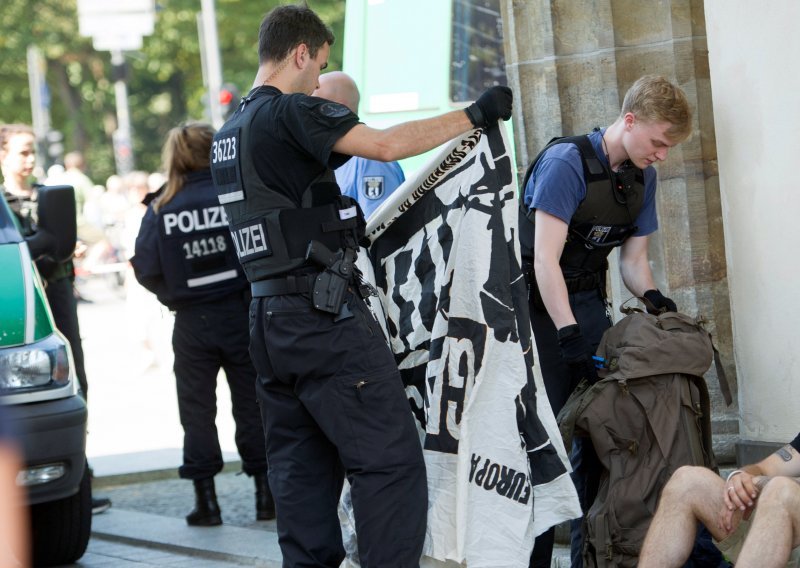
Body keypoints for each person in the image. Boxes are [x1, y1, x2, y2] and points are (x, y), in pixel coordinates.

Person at [209, 4, 511, 566]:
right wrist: (474, 114)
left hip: (267, 322)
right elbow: (388, 145)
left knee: (301, 474)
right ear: (301, 52)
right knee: (390, 463)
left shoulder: (227, 134)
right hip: (321, 317)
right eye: (318, 66)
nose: (318, 81)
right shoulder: (289, 112)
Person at [519, 75, 692, 567]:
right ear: (629, 120)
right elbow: (543, 261)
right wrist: (567, 333)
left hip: (589, 308)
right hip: (538, 312)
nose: (662, 154)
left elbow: (633, 263)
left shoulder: (643, 177)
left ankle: (588, 558)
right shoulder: (565, 163)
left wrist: (655, 297)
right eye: (658, 142)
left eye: (669, 147)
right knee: (545, 442)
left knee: (599, 441)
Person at [131, 123, 272, 526]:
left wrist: (175, 294)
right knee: (252, 405)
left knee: (196, 413)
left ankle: (206, 502)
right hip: (240, 312)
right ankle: (266, 497)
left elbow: (145, 267)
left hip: (191, 323)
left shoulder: (161, 206)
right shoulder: (234, 196)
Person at [0, 123, 112, 516]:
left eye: (33, 151)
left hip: (58, 297)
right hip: (22, 313)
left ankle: (80, 472)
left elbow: (65, 238)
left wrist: (68, 247)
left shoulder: (49, 196)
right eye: (22, 152)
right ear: (3, 156)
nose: (30, 160)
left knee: (76, 380)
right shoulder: (3, 206)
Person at [639, 434, 800, 567]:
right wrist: (740, 480)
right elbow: (764, 468)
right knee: (688, 481)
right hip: (775, 543)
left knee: (781, 490)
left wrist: (761, 483)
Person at [312, 71, 405, 219]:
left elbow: (379, 228)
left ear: (338, 109)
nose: (307, 115)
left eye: (315, 106)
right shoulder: (331, 156)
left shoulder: (369, 158)